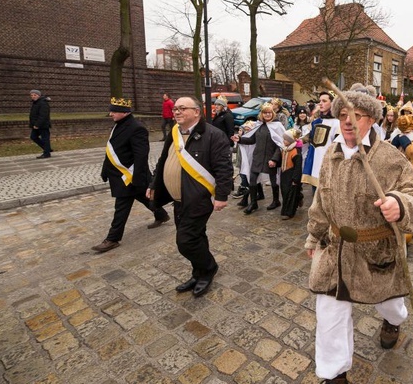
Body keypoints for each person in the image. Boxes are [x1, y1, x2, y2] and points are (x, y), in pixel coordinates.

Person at [304, 91, 413, 384]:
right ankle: (335, 377)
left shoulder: (390, 158)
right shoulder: (332, 155)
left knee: (390, 304)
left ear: (372, 120)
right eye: (343, 116)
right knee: (329, 315)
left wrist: (400, 204)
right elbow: (321, 201)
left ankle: (393, 321)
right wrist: (316, 235)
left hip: (376, 252)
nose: (348, 122)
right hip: (335, 250)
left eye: (357, 116)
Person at [147, 96, 232, 297]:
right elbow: (163, 160)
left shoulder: (214, 135)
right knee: (196, 236)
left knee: (185, 241)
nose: (176, 112)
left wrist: (222, 195)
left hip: (199, 197)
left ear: (197, 112)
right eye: (175, 108)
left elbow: (224, 168)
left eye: (182, 108)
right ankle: (198, 273)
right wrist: (153, 184)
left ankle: (209, 268)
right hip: (178, 199)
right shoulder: (175, 132)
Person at [92, 98, 170, 253]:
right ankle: (161, 214)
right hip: (120, 175)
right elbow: (112, 151)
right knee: (144, 197)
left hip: (130, 176)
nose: (111, 114)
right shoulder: (118, 125)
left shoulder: (137, 128)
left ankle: (113, 238)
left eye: (114, 111)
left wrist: (137, 178)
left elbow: (141, 155)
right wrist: (105, 170)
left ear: (125, 112)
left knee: (121, 207)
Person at [232, 102, 285, 214]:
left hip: (271, 158)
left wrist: (274, 159)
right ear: (262, 114)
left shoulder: (277, 126)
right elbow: (252, 140)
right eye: (265, 113)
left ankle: (276, 201)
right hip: (258, 157)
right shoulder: (258, 126)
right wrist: (240, 140)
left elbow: (280, 145)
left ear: (273, 113)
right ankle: (253, 203)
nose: (267, 115)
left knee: (274, 181)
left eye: (269, 112)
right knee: (252, 180)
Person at [302, 91, 339, 194]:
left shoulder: (338, 123)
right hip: (315, 163)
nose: (320, 103)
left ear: (332, 103)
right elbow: (305, 138)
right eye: (319, 101)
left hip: (328, 165)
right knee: (315, 195)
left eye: (324, 101)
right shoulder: (316, 122)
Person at [279, 128, 303, 220]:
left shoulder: (296, 152)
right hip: (284, 174)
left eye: (286, 139)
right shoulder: (284, 149)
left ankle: (289, 212)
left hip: (291, 174)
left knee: (290, 193)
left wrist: (295, 179)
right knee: (285, 192)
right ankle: (299, 197)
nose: (284, 141)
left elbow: (298, 167)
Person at [29, 89, 53, 159]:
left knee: (45, 138)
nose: (33, 96)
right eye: (32, 95)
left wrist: (37, 124)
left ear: (39, 95)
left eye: (35, 95)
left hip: (42, 125)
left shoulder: (43, 103)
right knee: (33, 137)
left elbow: (43, 115)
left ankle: (46, 153)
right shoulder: (35, 103)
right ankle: (47, 149)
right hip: (36, 125)